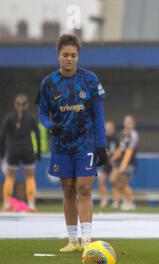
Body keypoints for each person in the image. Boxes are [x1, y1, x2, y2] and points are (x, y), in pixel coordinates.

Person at [36, 33, 107, 252]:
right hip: (61, 145)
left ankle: (87, 239)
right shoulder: (48, 83)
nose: (69, 58)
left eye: (73, 55)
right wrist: (50, 125)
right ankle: (72, 240)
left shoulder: (90, 79)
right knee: (68, 190)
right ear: (58, 56)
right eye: (65, 55)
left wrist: (101, 144)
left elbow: (99, 114)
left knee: (84, 188)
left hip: (85, 142)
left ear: (78, 57)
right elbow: (42, 113)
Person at [0, 93, 41, 212]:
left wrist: (2, 152)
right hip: (28, 150)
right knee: (30, 177)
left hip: (13, 150)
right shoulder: (31, 118)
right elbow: (37, 135)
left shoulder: (9, 117)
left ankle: (7, 205)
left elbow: (2, 136)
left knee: (10, 177)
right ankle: (31, 205)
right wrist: (38, 151)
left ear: (14, 105)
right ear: (27, 105)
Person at [110, 115, 139, 211]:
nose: (127, 124)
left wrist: (123, 165)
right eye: (126, 122)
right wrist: (114, 158)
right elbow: (120, 148)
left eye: (129, 122)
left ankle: (130, 202)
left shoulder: (134, 134)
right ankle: (118, 200)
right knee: (113, 179)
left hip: (129, 162)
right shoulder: (121, 134)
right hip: (120, 161)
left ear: (133, 124)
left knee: (123, 183)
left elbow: (129, 150)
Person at [98, 121, 119, 208]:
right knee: (101, 180)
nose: (108, 130)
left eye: (110, 128)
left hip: (115, 163)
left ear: (113, 129)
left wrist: (114, 159)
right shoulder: (103, 139)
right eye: (106, 128)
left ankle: (116, 201)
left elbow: (120, 151)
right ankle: (104, 200)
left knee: (113, 181)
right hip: (106, 163)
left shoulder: (117, 139)